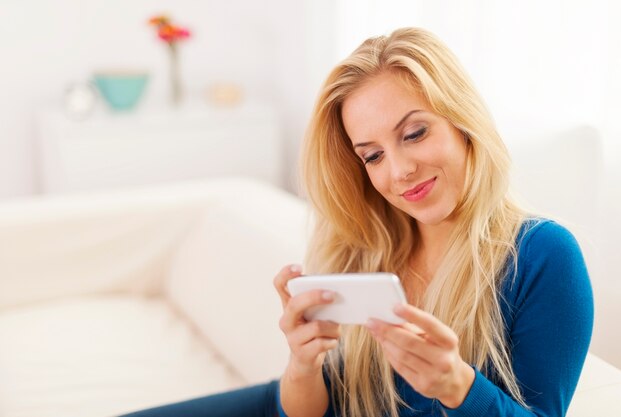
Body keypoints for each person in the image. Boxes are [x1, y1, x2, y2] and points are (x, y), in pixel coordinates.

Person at [120, 27, 593, 417]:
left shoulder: (543, 255)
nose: (398, 171)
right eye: (372, 156)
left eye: (414, 133)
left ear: (463, 124)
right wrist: (302, 363)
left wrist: (457, 386)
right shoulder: (369, 246)